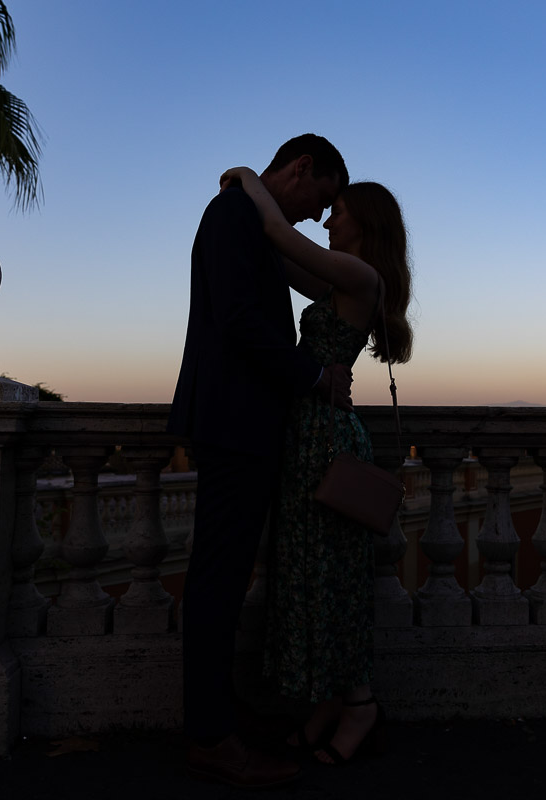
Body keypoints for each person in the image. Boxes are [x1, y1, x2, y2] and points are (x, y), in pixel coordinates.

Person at [167, 134, 353, 789]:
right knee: (218, 580)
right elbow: (242, 321)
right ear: (300, 168)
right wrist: (314, 377)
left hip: (239, 421)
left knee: (226, 575)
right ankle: (212, 736)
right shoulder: (234, 216)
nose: (312, 216)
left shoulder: (249, 217)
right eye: (318, 199)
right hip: (234, 422)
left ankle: (218, 717)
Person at [219, 166, 415, 765]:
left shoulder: (360, 275)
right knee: (309, 576)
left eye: (339, 212)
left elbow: (280, 236)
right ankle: (330, 701)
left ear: (364, 221)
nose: (328, 220)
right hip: (310, 437)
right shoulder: (340, 282)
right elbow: (279, 259)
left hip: (326, 442)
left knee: (334, 583)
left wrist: (249, 178)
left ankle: (359, 704)